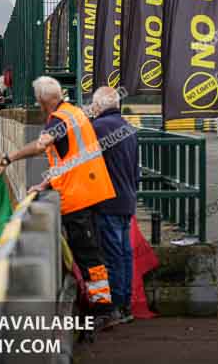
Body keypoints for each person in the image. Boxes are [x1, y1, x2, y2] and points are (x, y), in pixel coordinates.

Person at [0, 76, 118, 326]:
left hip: (78, 196)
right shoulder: (73, 113)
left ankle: (104, 309)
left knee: (88, 255)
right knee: (91, 252)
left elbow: (41, 146)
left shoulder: (58, 121)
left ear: (40, 100)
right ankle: (101, 304)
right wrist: (45, 183)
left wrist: (9, 158)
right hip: (91, 189)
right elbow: (68, 159)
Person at [90, 86, 139, 324]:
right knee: (124, 254)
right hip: (127, 199)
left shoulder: (98, 127)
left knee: (112, 257)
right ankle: (126, 305)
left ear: (99, 106)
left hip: (108, 201)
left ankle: (115, 309)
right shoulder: (129, 128)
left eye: (93, 105)